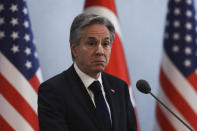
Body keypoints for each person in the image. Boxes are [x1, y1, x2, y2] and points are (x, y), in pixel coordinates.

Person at [38, 13, 137, 131]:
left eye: (105, 44)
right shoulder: (53, 91)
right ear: (74, 49)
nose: (100, 51)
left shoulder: (120, 87)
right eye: (91, 43)